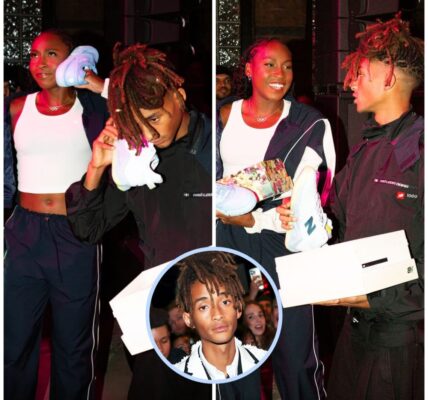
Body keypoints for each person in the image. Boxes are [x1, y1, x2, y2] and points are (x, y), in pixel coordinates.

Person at [65, 42, 212, 400]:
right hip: (160, 305)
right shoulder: (134, 160)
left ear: (179, 96)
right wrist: (96, 166)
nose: (148, 133)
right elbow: (88, 229)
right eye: (136, 124)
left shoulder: (219, 143)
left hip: (220, 304)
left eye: (154, 119)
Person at [216, 38, 336, 400]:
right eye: (269, 64)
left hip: (282, 241)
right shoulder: (223, 115)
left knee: (296, 353)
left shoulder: (308, 123)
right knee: (232, 350)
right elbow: (202, 177)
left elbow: (317, 190)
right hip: (227, 241)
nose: (279, 73)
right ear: (249, 69)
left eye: (287, 66)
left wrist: (258, 218)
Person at [312, 15, 423, 400]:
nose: (349, 83)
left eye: (359, 74)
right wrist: (303, 218)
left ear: (388, 77)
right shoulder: (365, 149)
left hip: (401, 341)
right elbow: (336, 224)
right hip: (355, 330)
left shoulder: (420, 152)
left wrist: (372, 296)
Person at [4, 29, 109, 399]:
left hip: (75, 233)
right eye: (34, 55)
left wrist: (95, 82)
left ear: (74, 57)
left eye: (52, 53)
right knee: (13, 341)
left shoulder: (94, 108)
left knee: (74, 345)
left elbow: (144, 110)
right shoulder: (15, 108)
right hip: (22, 233)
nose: (40, 63)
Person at [174, 251, 266, 380]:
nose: (217, 314)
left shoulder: (264, 363)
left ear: (238, 308)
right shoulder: (178, 376)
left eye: (225, 302)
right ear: (189, 319)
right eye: (203, 307)